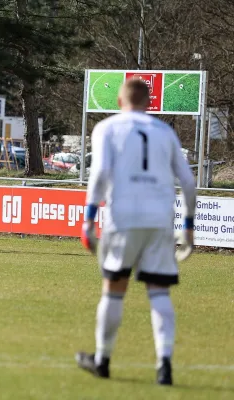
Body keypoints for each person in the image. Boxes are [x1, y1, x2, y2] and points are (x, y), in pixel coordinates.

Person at [75, 78, 197, 386]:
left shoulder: (107, 128)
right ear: (149, 102)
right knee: (159, 291)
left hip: (123, 218)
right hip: (159, 219)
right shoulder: (165, 132)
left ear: (119, 101)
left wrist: (88, 219)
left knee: (114, 290)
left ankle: (102, 360)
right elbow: (188, 181)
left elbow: (100, 173)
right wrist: (189, 226)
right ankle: (164, 364)